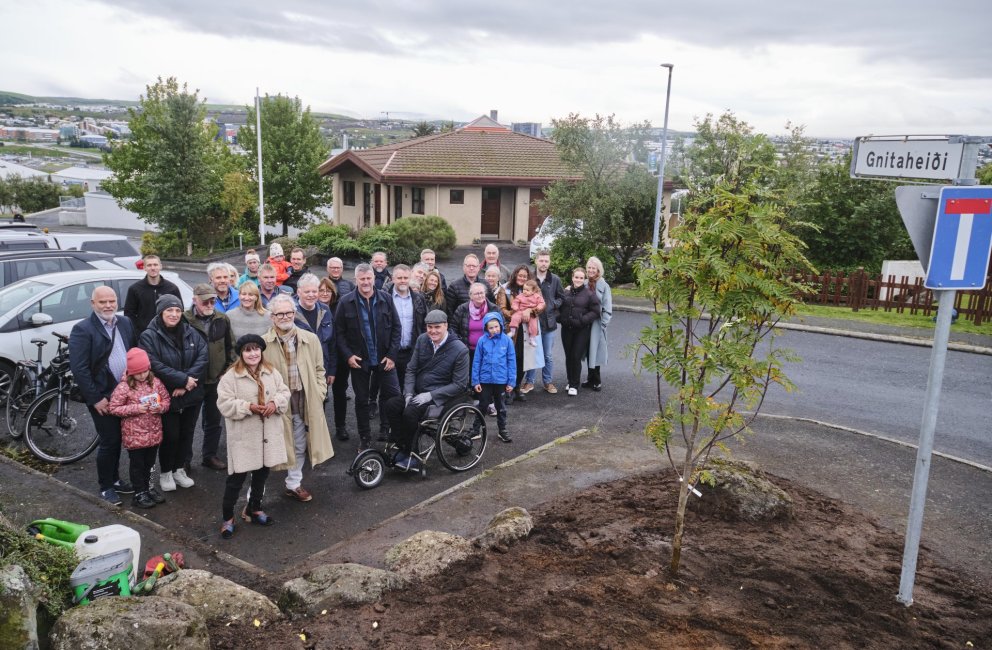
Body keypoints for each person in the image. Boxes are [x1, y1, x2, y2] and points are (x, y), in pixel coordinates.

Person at [216, 334, 290, 539]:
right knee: (236, 479)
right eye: (248, 350)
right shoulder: (231, 376)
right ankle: (228, 517)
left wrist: (275, 403)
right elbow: (224, 404)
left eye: (256, 349)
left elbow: (284, 392)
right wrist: (247, 407)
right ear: (241, 353)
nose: (253, 353)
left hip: (267, 435)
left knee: (261, 475)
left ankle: (254, 509)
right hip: (244, 437)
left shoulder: (271, 371)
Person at [69, 286, 138, 506]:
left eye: (112, 301)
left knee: (122, 439)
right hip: (103, 396)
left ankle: (116, 479)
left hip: (125, 393)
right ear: (93, 304)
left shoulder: (125, 323)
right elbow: (80, 369)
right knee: (110, 440)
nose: (108, 305)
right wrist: (96, 398)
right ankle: (106, 486)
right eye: (102, 302)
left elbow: (134, 352)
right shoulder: (83, 329)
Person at [262, 294, 332, 502]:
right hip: (277, 403)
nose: (285, 317)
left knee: (300, 443)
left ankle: (293, 483)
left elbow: (320, 369)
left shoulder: (310, 339)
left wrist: (319, 392)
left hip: (303, 398)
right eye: (280, 313)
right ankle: (255, 494)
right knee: (271, 446)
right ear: (272, 317)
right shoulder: (263, 343)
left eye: (289, 312)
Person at [382, 310, 469, 470]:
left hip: (441, 398)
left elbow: (459, 385)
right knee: (391, 405)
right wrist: (408, 393)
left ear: (446, 326)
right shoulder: (423, 340)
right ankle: (403, 445)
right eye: (430, 327)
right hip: (416, 392)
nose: (433, 331)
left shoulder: (460, 350)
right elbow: (411, 369)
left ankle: (411, 454)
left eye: (437, 327)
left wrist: (430, 395)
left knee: (410, 413)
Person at [139, 294, 208, 491]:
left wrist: (186, 382)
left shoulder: (191, 332)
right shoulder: (149, 336)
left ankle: (179, 470)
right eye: (169, 310)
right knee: (170, 436)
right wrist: (182, 379)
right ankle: (166, 472)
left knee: (187, 434)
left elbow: (203, 357)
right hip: (167, 395)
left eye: (177, 310)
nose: (174, 314)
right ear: (161, 312)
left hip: (190, 393)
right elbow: (153, 364)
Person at [334, 263, 401, 449]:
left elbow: (397, 328)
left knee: (392, 396)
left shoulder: (386, 299)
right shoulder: (345, 302)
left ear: (374, 278)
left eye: (368, 278)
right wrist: (348, 356)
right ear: (356, 280)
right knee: (362, 400)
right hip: (359, 361)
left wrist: (392, 356)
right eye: (362, 279)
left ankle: (386, 431)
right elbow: (339, 333)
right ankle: (364, 437)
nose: (366, 282)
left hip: (384, 358)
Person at [108, 348, 171, 509]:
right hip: (134, 436)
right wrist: (136, 408)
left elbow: (166, 399)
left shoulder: (155, 382)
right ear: (131, 372)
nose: (142, 375)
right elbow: (113, 408)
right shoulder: (124, 387)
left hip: (154, 433)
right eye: (138, 372)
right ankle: (139, 492)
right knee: (137, 465)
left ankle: (149, 487)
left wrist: (161, 408)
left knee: (150, 464)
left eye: (145, 371)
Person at [185, 284, 236, 471]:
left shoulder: (222, 318)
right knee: (188, 423)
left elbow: (232, 347)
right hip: (193, 382)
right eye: (204, 300)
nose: (209, 303)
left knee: (213, 421)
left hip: (216, 380)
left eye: (212, 300)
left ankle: (209, 456)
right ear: (194, 300)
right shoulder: (184, 320)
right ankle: (184, 460)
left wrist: (227, 370)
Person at [524, 249, 565, 394]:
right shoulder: (530, 278)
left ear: (550, 262)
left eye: (546, 261)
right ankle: (529, 382)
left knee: (547, 354)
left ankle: (548, 382)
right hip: (532, 322)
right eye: (541, 260)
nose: (543, 263)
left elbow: (562, 297)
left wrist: (553, 304)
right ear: (536, 261)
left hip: (549, 323)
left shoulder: (555, 279)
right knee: (531, 352)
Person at [501, 265, 544, 402]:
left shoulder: (535, 290)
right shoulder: (505, 289)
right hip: (512, 330)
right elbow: (501, 309)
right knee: (510, 360)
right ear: (515, 275)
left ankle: (517, 387)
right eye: (519, 275)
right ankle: (508, 390)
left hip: (527, 331)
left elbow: (541, 306)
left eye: (524, 276)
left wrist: (529, 311)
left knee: (523, 360)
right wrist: (518, 313)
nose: (522, 278)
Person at [471, 312, 515, 443]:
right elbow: (476, 361)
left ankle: (502, 430)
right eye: (491, 328)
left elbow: (511, 361)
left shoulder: (507, 341)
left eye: (497, 326)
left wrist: (511, 381)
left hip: (501, 380)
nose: (494, 330)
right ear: (486, 328)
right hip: (485, 380)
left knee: (500, 406)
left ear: (501, 325)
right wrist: (475, 381)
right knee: (483, 405)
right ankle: (475, 430)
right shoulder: (482, 341)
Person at [558, 267, 600, 396]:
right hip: (567, 329)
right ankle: (570, 381)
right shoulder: (565, 292)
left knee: (576, 356)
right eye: (576, 277)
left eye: (581, 278)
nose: (578, 280)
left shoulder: (589, 294)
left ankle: (574, 385)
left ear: (584, 279)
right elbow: (557, 307)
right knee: (569, 356)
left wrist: (583, 320)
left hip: (581, 330)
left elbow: (596, 311)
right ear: (572, 277)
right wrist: (561, 319)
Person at [294, 273, 337, 392]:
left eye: (314, 291)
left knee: (320, 406)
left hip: (322, 369)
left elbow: (332, 343)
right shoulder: (290, 313)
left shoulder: (325, 310)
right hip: (299, 372)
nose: (311, 295)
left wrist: (332, 371)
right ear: (298, 292)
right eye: (307, 292)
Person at [389, 264, 427, 393]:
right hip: (391, 352)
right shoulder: (385, 297)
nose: (403, 281)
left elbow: (423, 325)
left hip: (411, 352)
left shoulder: (418, 298)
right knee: (391, 390)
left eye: (406, 277)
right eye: (399, 277)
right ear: (393, 279)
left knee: (410, 388)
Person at [123, 254, 182, 334]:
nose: (153, 268)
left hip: (168, 335)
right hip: (144, 335)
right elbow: (129, 314)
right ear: (144, 268)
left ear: (160, 266)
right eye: (149, 265)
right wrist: (138, 332)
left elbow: (180, 311)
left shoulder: (172, 288)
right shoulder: (135, 289)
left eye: (155, 265)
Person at [584, 256, 613, 392]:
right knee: (588, 350)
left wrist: (603, 325)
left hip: (596, 323)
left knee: (595, 351)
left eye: (593, 268)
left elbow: (608, 307)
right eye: (589, 268)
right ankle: (590, 379)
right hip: (584, 322)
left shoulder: (603, 285)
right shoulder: (583, 283)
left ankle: (596, 380)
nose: (590, 270)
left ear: (598, 270)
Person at [508, 279, 546, 346]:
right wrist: (515, 307)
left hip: (531, 314)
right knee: (514, 317)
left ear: (533, 291)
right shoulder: (521, 296)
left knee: (534, 325)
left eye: (527, 290)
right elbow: (515, 302)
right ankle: (512, 331)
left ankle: (532, 338)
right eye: (524, 289)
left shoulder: (537, 296)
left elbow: (542, 303)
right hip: (520, 311)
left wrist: (538, 307)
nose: (525, 291)